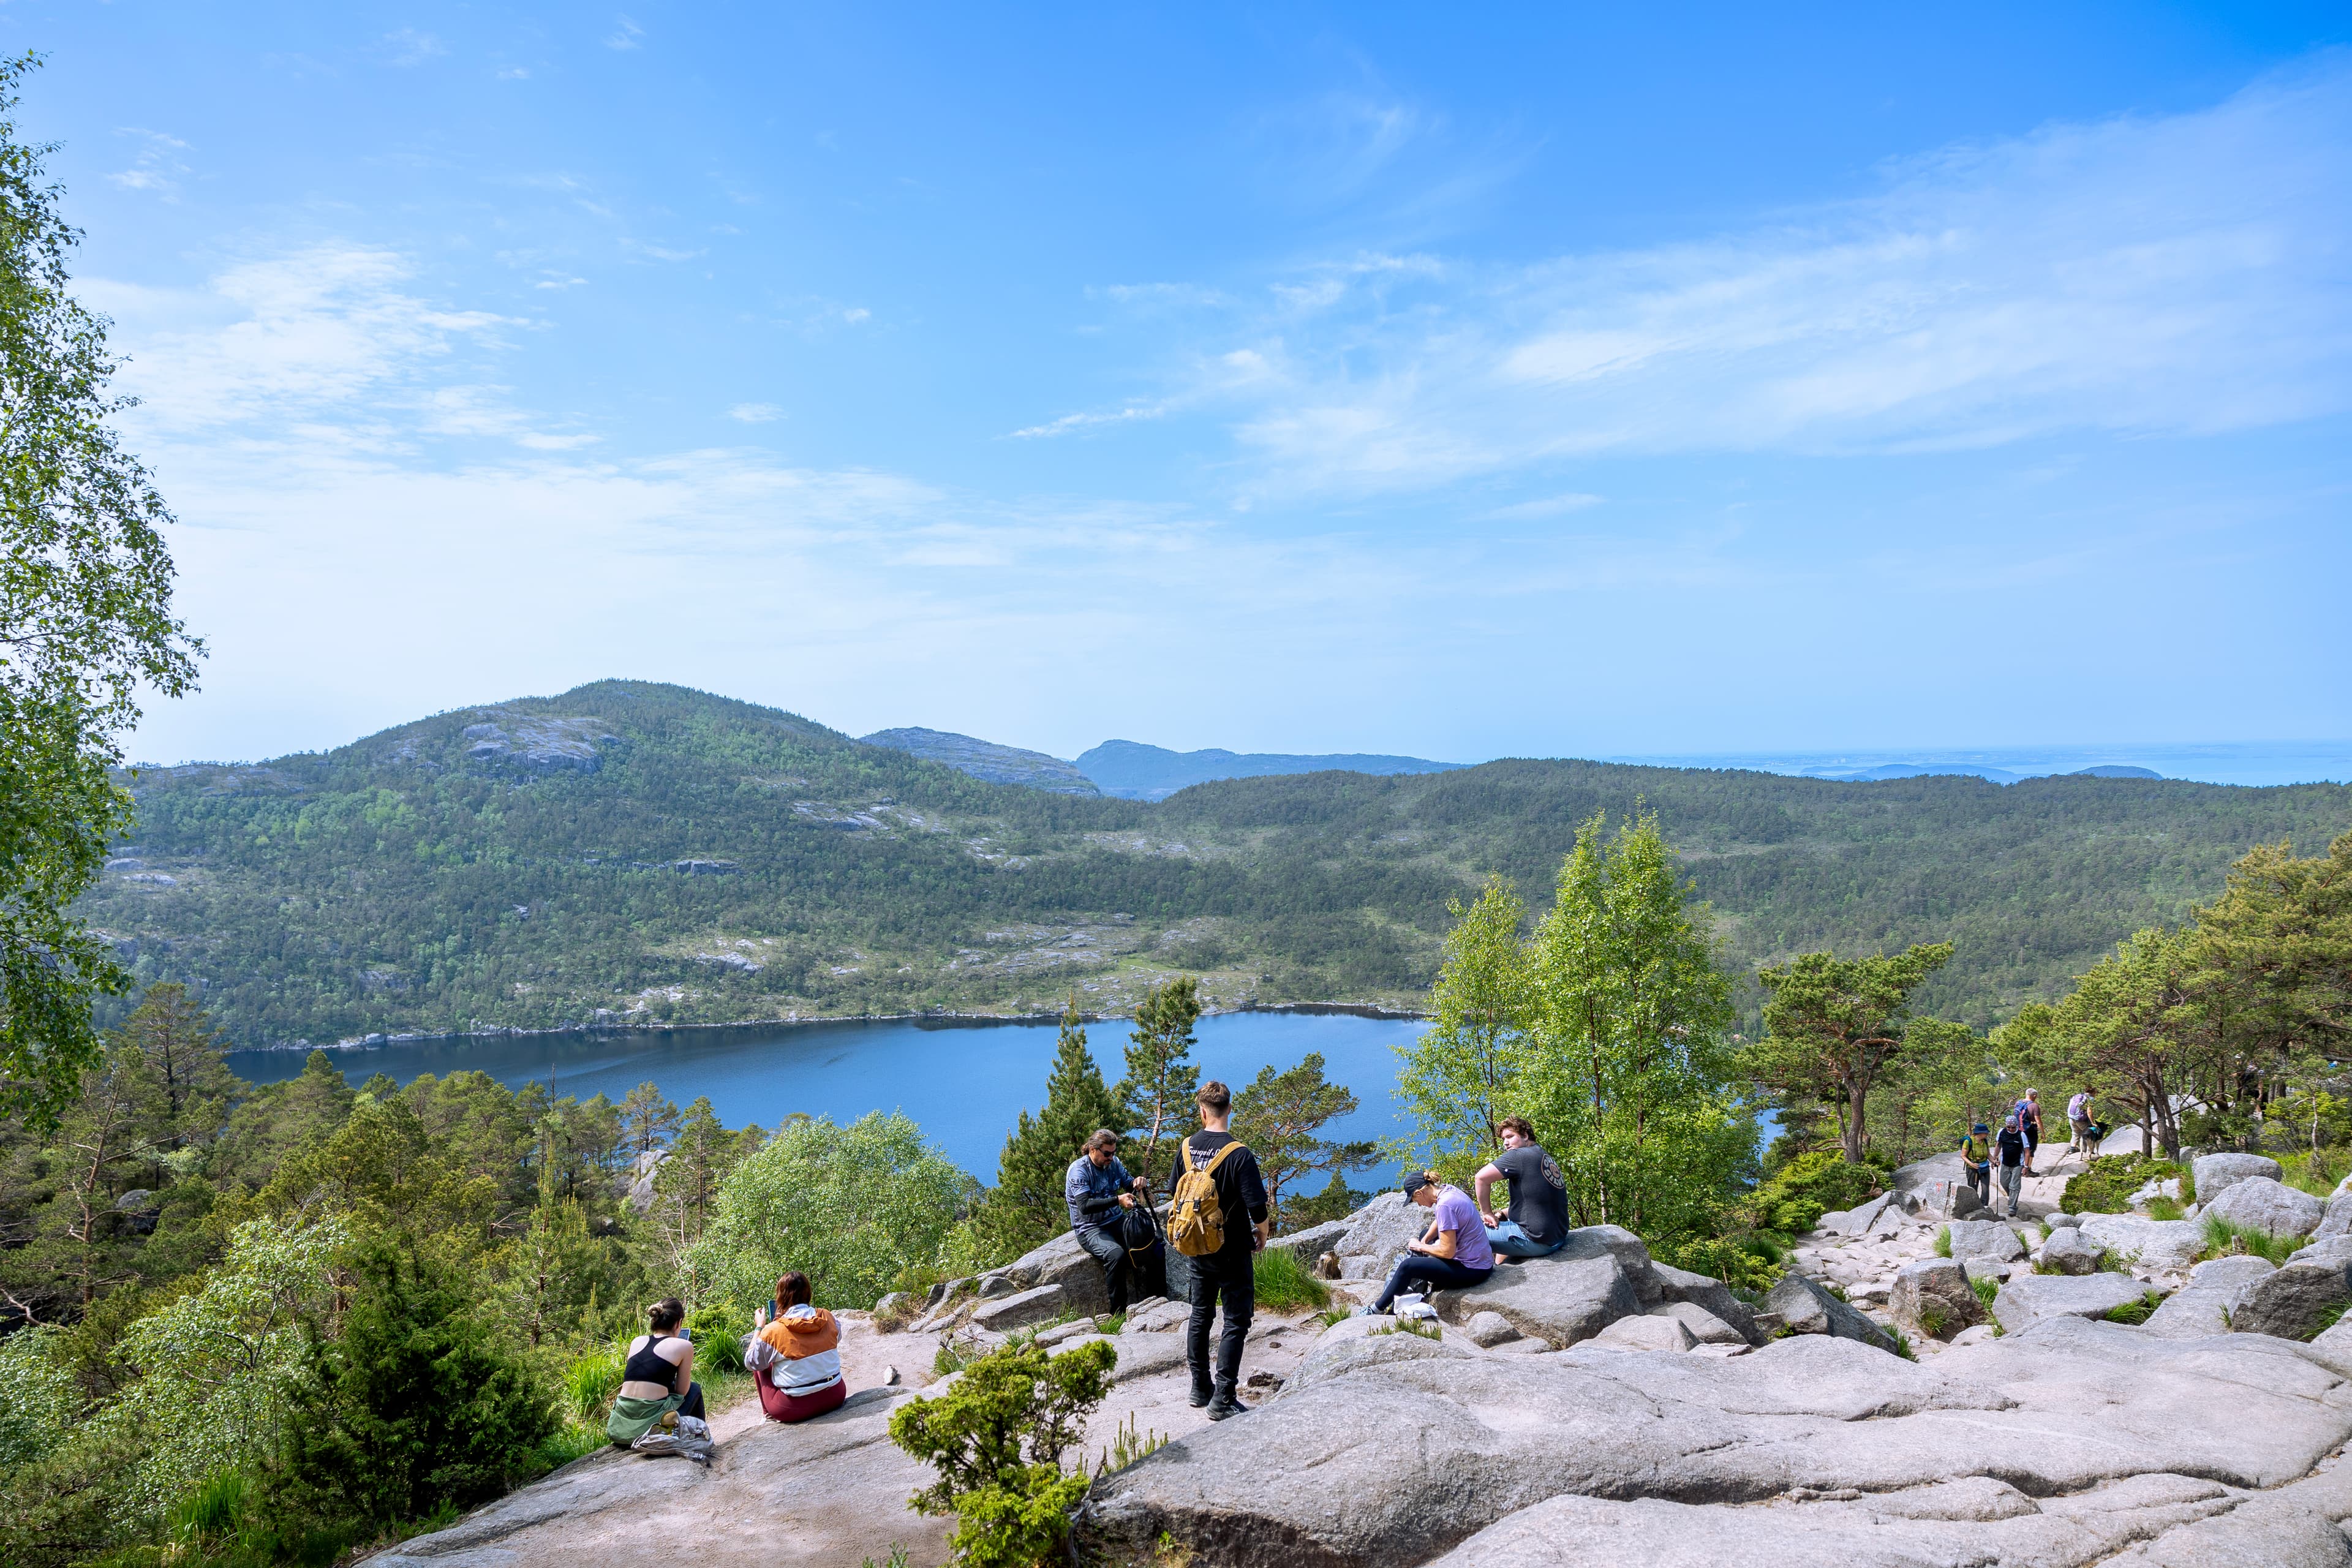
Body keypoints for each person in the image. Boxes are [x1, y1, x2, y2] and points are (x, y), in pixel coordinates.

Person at [1179, 1080, 1268, 1422]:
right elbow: (1257, 1208)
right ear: (1229, 1109)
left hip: (1197, 1248)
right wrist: (1261, 1234)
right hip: (1231, 1251)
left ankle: (1199, 1388)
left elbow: (1176, 1193)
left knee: (1201, 1314)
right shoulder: (1239, 1154)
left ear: (1202, 1112)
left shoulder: (1186, 1148)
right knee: (1236, 1321)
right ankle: (1223, 1398)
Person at [1365, 1171, 1496, 1314]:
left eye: (1415, 1200)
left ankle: (1375, 1310)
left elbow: (1447, 1252)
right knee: (1424, 1234)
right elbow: (1441, 1222)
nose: (1419, 1205)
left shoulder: (1445, 1205)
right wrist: (1425, 1240)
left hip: (1473, 1271)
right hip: (1482, 1262)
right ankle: (1412, 1285)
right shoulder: (1448, 1191)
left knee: (1407, 1266)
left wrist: (1421, 1246)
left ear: (1419, 1193)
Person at [742, 1270, 847, 1423]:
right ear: (808, 1293)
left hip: (793, 1408)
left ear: (781, 1298)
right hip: (835, 1396)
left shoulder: (773, 1330)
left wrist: (760, 1327)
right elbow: (837, 1338)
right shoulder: (827, 1317)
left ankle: (768, 1415)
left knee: (760, 1362)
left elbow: (750, 1363)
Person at [1066, 1128, 1150, 1314]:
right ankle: (1119, 1313)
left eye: (1113, 1153)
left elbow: (1128, 1183)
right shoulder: (1079, 1170)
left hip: (1115, 1220)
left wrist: (1137, 1182)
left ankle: (1158, 1298)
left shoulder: (1114, 1163)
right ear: (1093, 1150)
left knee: (1150, 1241)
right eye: (1107, 1153)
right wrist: (1117, 1200)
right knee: (1116, 1254)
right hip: (1090, 1228)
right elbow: (1085, 1206)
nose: (1111, 1157)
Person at [607, 1298, 703, 1446]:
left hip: (618, 1430)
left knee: (666, 1385)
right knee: (695, 1388)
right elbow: (681, 1393)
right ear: (678, 1323)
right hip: (648, 1432)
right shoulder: (684, 1345)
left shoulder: (637, 1341)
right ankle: (700, 1438)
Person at [1473, 1116, 1569, 1261]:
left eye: (1510, 1137)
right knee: (1503, 1225)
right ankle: (1501, 1271)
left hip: (1537, 1241)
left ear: (1525, 1135)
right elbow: (1535, 1203)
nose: (1505, 1143)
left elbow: (1481, 1178)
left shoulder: (1519, 1155)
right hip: (1558, 1238)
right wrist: (1501, 1214)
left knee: (1466, 1234)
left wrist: (1487, 1213)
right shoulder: (1542, 1154)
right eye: (1503, 1139)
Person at [1996, 1113, 2029, 1217]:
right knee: (2004, 1182)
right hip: (2005, 1162)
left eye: (2013, 1127)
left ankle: (2012, 1208)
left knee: (2014, 1186)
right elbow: (1998, 1146)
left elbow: (2027, 1151)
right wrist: (1995, 1158)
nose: (2010, 1129)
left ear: (2016, 1126)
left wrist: (2026, 1167)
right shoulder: (2002, 1132)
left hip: (2018, 1164)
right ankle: (2013, 1197)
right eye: (2008, 1127)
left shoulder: (2021, 1135)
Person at [1959, 1122, 1992, 1208]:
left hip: (1984, 1167)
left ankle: (1984, 1207)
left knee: (1985, 1189)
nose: (1987, 1134)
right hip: (1972, 1168)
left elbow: (1988, 1154)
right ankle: (1972, 1207)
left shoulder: (1985, 1141)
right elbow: (1963, 1155)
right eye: (1985, 1133)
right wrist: (1971, 1164)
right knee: (1973, 1188)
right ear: (1979, 1133)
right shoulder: (1968, 1141)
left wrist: (1994, 1161)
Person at [2015, 1090, 2044, 1176]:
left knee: (2021, 1149)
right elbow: (2038, 1121)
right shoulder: (2034, 1106)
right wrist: (2043, 1133)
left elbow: (2014, 1116)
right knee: (2031, 1149)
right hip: (2030, 1130)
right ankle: (2028, 1170)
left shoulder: (2018, 1103)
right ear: (2034, 1096)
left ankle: (2019, 1168)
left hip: (2019, 1130)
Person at [2067, 1088, 2095, 1156]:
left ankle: (2072, 1149)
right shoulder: (2090, 1099)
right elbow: (2089, 1112)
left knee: (2075, 1133)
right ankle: (2090, 1152)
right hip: (2080, 1120)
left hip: (2071, 1118)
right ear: (2094, 1092)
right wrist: (2093, 1123)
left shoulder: (2077, 1096)